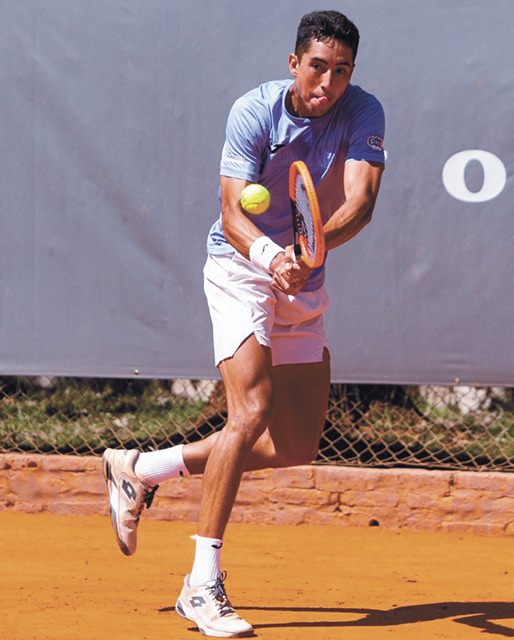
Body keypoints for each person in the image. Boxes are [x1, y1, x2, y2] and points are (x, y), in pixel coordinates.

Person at [104, 10, 385, 638]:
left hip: (302, 278)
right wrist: (269, 255)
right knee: (249, 411)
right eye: (317, 67)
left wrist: (309, 252)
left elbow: (361, 202)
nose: (327, 82)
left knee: (295, 445)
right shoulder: (253, 112)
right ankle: (201, 585)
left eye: (341, 71)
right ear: (294, 63)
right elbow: (233, 212)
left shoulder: (364, 112)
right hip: (239, 268)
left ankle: (141, 469)